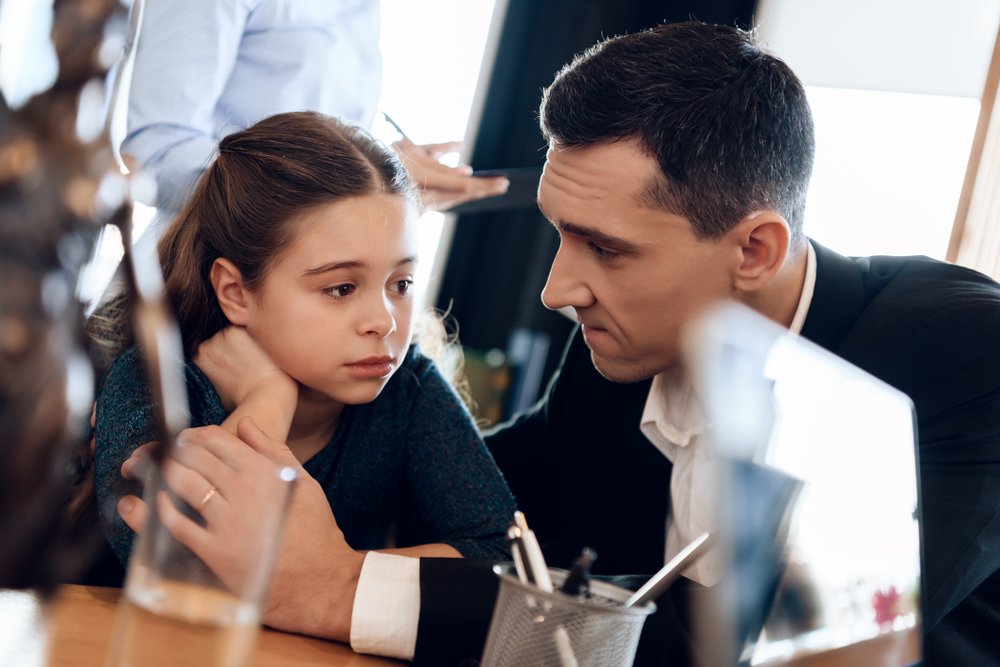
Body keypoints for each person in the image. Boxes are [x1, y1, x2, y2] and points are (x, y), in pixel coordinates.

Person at [119, 21, 1000, 666]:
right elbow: (486, 506)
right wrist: (293, 409)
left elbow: (765, 648)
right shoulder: (621, 354)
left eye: (606, 248)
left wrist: (344, 588)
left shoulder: (959, 356)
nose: (554, 289)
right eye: (560, 234)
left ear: (754, 250)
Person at [92, 111, 516, 647]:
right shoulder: (155, 380)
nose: (384, 320)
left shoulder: (409, 391)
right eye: (340, 288)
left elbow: (505, 561)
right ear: (236, 292)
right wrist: (268, 399)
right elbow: (170, 558)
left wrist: (334, 572)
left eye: (401, 282)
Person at [121, 0, 508, 241]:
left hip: (301, 286)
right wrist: (347, 185)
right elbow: (156, 153)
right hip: (190, 290)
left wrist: (384, 175)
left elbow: (313, 135)